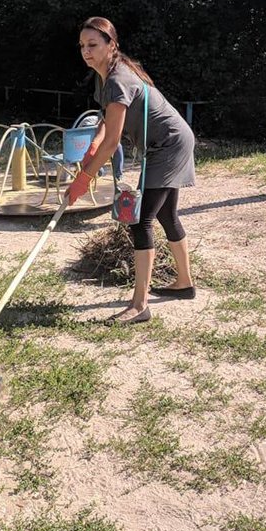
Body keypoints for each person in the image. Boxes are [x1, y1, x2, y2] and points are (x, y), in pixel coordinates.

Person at [65, 17, 196, 324]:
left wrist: (83, 180)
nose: (86, 51)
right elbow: (106, 123)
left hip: (168, 145)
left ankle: (139, 305)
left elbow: (114, 142)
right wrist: (93, 145)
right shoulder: (105, 77)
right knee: (166, 215)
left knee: (141, 221)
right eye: (83, 46)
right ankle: (185, 284)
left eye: (93, 45)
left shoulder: (117, 79)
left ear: (112, 45)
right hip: (167, 143)